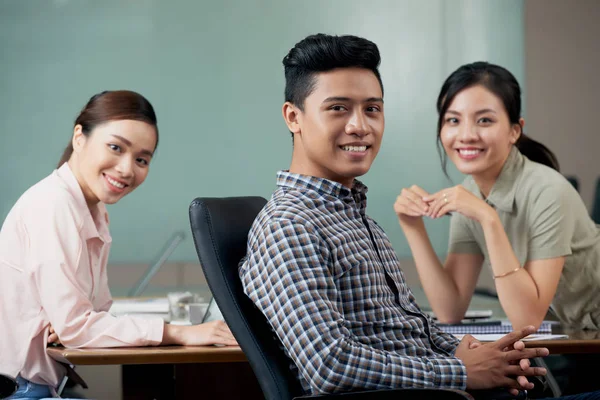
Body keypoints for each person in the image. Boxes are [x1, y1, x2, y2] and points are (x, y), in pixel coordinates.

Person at [239, 34, 560, 398]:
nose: (361, 125)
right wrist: (458, 371)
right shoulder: (289, 226)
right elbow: (330, 365)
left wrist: (459, 349)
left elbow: (407, 326)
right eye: (338, 108)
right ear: (293, 117)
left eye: (372, 109)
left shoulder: (354, 217)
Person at [0, 90, 237, 399]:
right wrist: (178, 332)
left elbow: (92, 315)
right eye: (115, 147)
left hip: (43, 386)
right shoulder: (53, 205)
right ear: (79, 137)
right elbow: (77, 327)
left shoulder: (92, 210)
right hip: (21, 390)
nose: (127, 169)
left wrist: (75, 325)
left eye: (141, 159)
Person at [393, 62, 600, 332]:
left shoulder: (549, 191)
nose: (466, 135)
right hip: (582, 333)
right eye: (453, 120)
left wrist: (487, 217)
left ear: (515, 130)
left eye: (485, 120)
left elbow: (527, 320)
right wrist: (413, 226)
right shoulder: (470, 193)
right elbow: (449, 309)